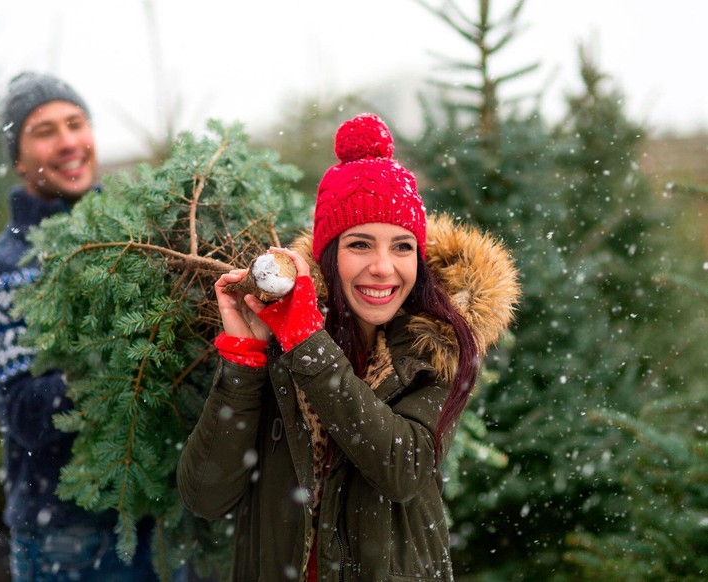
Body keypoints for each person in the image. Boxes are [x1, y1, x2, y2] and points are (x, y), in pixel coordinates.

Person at [177, 113, 520, 581]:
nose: (384, 267)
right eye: (360, 244)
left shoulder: (437, 348)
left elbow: (402, 469)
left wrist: (308, 343)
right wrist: (243, 360)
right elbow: (205, 495)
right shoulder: (281, 340)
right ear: (329, 254)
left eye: (401, 247)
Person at [0, 72, 159, 581]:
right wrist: (118, 358)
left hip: (161, 519)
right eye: (45, 131)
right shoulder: (1, 272)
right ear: (19, 159)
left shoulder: (142, 239)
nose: (68, 141)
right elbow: (24, 412)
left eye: (75, 123)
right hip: (70, 538)